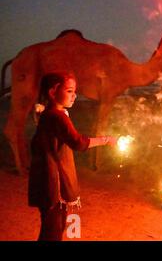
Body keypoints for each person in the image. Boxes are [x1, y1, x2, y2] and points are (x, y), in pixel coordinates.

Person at [28, 72, 117, 241]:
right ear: (53, 92)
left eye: (74, 91)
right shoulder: (56, 116)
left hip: (47, 181)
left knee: (54, 228)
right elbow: (78, 143)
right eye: (69, 91)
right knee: (52, 232)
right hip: (53, 184)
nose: (74, 96)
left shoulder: (50, 114)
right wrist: (106, 140)